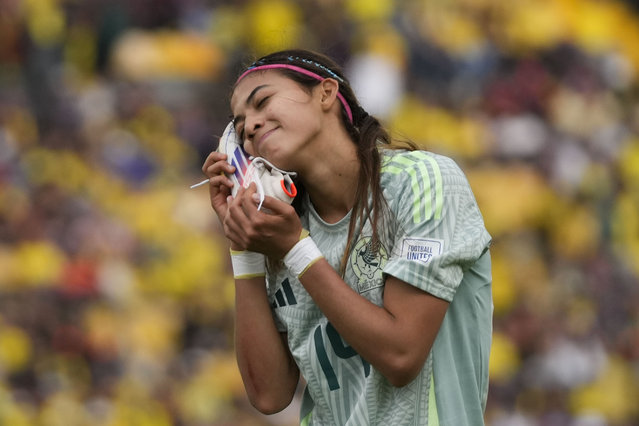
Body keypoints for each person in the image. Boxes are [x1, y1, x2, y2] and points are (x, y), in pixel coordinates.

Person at [201, 49, 492, 426]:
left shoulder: (424, 181)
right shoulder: (281, 226)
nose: (251, 126)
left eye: (263, 102)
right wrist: (245, 248)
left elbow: (401, 356)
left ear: (325, 93)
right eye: (240, 127)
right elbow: (269, 395)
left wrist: (296, 250)